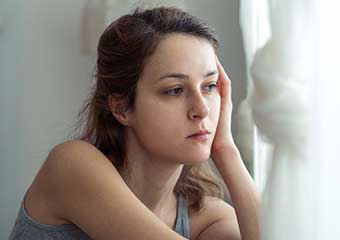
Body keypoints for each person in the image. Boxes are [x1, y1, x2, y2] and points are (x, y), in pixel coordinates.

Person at [8, 6, 260, 240]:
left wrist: (226, 150)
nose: (202, 109)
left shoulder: (205, 216)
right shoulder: (72, 166)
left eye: (210, 86)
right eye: (174, 90)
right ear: (122, 108)